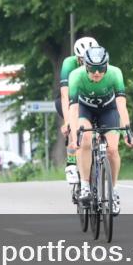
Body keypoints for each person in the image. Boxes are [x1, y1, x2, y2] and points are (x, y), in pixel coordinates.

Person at [67, 47, 133, 215]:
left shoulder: (115, 73)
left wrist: (128, 131)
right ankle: (85, 186)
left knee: (112, 149)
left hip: (108, 109)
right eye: (92, 68)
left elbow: (121, 105)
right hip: (85, 109)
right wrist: (74, 135)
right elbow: (73, 110)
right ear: (85, 65)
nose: (97, 73)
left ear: (107, 65)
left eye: (101, 68)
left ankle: (113, 191)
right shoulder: (76, 75)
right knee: (84, 140)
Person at [54, 36, 99, 184]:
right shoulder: (69, 64)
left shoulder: (100, 61)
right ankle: (71, 163)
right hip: (70, 99)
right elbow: (65, 95)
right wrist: (67, 121)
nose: (85, 62)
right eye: (82, 59)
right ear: (77, 58)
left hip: (90, 98)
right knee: (74, 126)